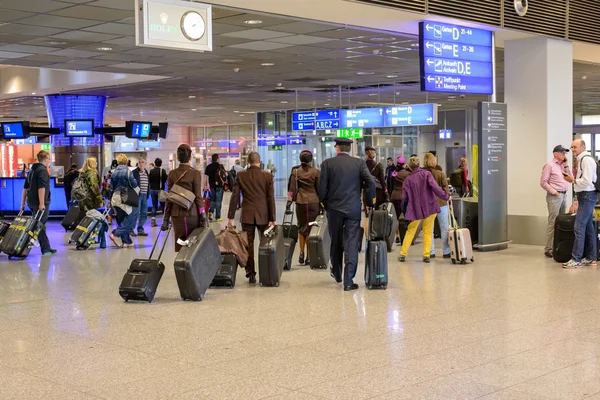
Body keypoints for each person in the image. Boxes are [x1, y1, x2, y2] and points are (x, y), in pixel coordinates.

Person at [319, 138, 375, 291]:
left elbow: (321, 188)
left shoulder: (327, 164)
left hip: (334, 209)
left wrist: (324, 203)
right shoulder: (359, 164)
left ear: (337, 148)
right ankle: (349, 281)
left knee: (335, 240)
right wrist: (370, 201)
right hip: (353, 209)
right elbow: (370, 182)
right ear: (349, 149)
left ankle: (337, 273)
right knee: (351, 242)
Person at [227, 151, 276, 284]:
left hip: (247, 214)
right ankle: (266, 273)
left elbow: (235, 196)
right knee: (265, 244)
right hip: (264, 214)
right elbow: (270, 198)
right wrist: (273, 217)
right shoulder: (267, 176)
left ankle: (251, 274)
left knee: (248, 245)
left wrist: (230, 217)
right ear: (259, 162)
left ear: (248, 162)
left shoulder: (241, 175)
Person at [398, 156, 450, 263]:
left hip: (415, 209)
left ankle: (403, 254)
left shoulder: (407, 180)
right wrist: (446, 196)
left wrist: (405, 211)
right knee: (427, 231)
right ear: (419, 164)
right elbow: (436, 188)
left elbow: (404, 198)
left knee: (410, 231)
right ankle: (426, 255)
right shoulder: (426, 174)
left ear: (410, 167)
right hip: (430, 206)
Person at [162, 144, 206, 251]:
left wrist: (166, 218)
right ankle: (190, 265)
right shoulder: (196, 173)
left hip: (176, 215)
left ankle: (181, 265)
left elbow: (169, 198)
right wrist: (203, 215)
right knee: (192, 245)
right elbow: (198, 197)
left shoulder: (172, 174)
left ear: (177, 158)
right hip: (193, 214)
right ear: (190, 157)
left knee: (180, 243)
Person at [562, 139, 597, 269]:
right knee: (588, 227)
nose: (572, 149)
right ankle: (591, 257)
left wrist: (573, 180)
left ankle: (576, 259)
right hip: (586, 196)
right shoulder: (582, 159)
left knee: (579, 227)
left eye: (575, 147)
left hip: (587, 196)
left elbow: (587, 181)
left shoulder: (586, 160)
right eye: (571, 147)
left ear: (582, 147)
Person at [20, 150, 56, 256]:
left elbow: (25, 188)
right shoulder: (42, 171)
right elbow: (42, 188)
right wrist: (42, 203)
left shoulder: (32, 170)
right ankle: (23, 247)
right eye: (49, 159)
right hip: (39, 203)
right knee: (38, 226)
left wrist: (22, 204)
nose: (49, 161)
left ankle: (46, 248)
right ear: (45, 160)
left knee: (40, 225)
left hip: (31, 202)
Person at [289, 150, 320, 266]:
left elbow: (292, 190)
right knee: (311, 228)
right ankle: (309, 255)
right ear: (311, 160)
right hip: (313, 202)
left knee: (301, 227)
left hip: (300, 202)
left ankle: (301, 253)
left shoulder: (295, 172)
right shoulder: (316, 172)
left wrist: (289, 201)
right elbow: (319, 189)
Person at [540, 145, 572, 258]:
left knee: (562, 221)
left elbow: (571, 178)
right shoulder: (549, 165)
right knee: (553, 221)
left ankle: (558, 245)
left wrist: (566, 166)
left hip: (563, 195)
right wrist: (555, 192)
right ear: (555, 154)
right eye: (562, 153)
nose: (564, 155)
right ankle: (548, 248)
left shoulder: (562, 166)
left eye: (565, 153)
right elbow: (543, 182)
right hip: (555, 196)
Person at [423, 153, 451, 259]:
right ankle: (446, 251)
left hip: (428, 204)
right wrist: (447, 197)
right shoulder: (440, 174)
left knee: (430, 229)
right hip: (442, 203)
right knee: (444, 228)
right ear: (434, 161)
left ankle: (431, 252)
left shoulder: (422, 174)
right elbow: (446, 189)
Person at [109, 154, 138, 248]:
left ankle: (127, 241)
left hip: (115, 197)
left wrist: (110, 201)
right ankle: (115, 234)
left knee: (121, 219)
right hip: (125, 196)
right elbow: (134, 184)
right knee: (130, 217)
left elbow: (111, 188)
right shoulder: (128, 172)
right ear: (126, 161)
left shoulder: (113, 173)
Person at [78, 157, 107, 248]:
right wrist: (100, 199)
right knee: (99, 220)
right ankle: (102, 242)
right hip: (90, 201)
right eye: (96, 162)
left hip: (82, 201)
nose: (97, 163)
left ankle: (83, 239)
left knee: (88, 221)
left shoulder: (82, 173)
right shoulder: (92, 173)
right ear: (92, 163)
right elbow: (94, 187)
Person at [389, 156, 410, 244]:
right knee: (407, 216)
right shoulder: (408, 173)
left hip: (394, 196)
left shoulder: (394, 173)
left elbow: (390, 185)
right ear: (404, 164)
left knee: (397, 217)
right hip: (404, 196)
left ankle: (397, 235)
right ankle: (405, 235)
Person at [204, 153, 227, 222]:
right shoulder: (220, 166)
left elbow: (205, 177)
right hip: (219, 186)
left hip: (212, 186)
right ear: (217, 159)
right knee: (218, 201)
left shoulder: (208, 167)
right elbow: (224, 175)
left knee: (212, 200)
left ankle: (211, 213)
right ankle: (218, 217)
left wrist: (204, 186)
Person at [132, 157, 150, 237]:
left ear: (145, 164)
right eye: (139, 162)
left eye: (143, 162)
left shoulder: (146, 172)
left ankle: (140, 229)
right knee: (135, 213)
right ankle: (131, 229)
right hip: (137, 195)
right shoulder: (134, 172)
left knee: (144, 213)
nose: (141, 164)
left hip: (145, 195)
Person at [148, 158, 168, 228]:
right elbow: (166, 179)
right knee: (163, 206)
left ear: (155, 163)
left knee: (154, 206)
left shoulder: (151, 171)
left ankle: (153, 221)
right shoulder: (162, 171)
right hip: (160, 190)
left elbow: (149, 180)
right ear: (161, 164)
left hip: (152, 190)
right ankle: (164, 221)